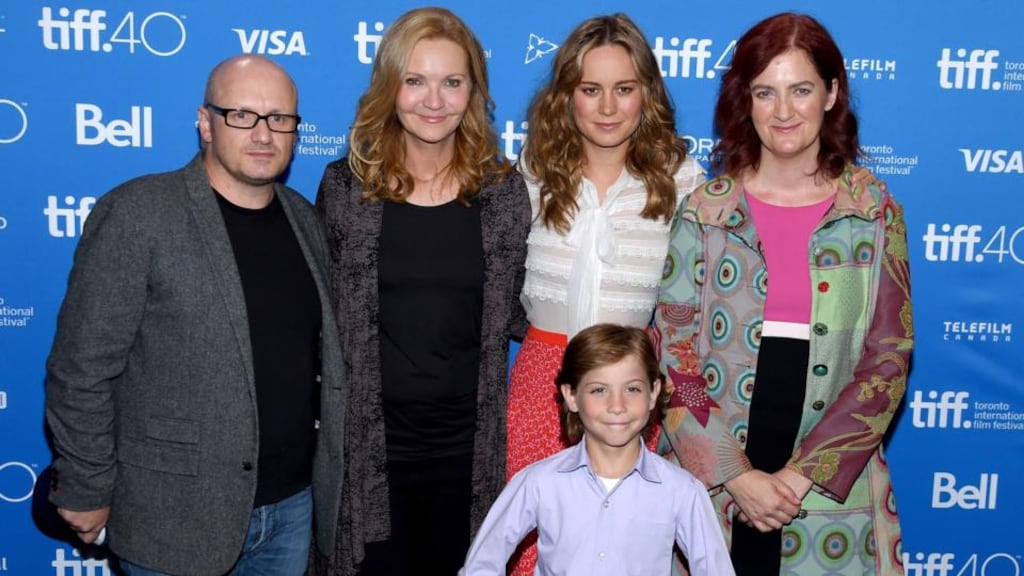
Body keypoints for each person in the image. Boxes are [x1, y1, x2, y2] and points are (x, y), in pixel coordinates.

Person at [44, 55, 346, 575]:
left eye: (280, 118)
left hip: (291, 511)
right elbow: (81, 369)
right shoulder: (139, 213)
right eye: (241, 115)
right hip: (175, 514)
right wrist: (86, 485)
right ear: (205, 123)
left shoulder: (303, 217)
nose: (263, 133)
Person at [655, 12, 913, 575]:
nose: (784, 111)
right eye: (765, 92)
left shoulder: (873, 212)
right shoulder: (705, 212)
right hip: (714, 485)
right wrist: (733, 473)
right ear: (745, 100)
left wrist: (801, 476)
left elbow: (888, 361)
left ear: (831, 93)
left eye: (801, 89)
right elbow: (673, 353)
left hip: (828, 493)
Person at [310, 7, 530, 576]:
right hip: (369, 452)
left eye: (452, 82)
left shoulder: (504, 195)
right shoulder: (344, 189)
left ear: (472, 92)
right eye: (415, 80)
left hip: (468, 450)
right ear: (389, 87)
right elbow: (320, 316)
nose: (434, 100)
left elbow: (520, 312)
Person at [504, 13, 706, 574]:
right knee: (534, 547)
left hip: (632, 391)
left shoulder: (681, 180)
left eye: (624, 89)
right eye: (591, 90)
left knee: (627, 548)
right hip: (543, 385)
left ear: (647, 94)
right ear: (567, 96)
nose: (609, 107)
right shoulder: (530, 173)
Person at [462, 324, 734, 576]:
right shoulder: (538, 483)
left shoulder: (682, 491)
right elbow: (481, 564)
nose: (617, 405)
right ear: (571, 396)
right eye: (599, 390)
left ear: (653, 393)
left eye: (632, 388)